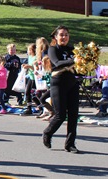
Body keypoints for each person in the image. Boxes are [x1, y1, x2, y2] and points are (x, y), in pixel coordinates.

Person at [42, 25, 80, 153]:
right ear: (56, 37)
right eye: (61, 35)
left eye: (66, 35)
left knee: (74, 115)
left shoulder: (73, 50)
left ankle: (70, 144)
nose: (64, 37)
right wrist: (73, 60)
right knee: (60, 115)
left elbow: (78, 68)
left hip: (72, 84)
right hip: (58, 83)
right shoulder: (53, 49)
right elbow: (57, 63)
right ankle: (48, 132)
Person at [20, 43, 37, 115]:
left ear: (31, 50)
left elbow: (36, 69)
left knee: (34, 94)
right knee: (27, 92)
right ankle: (29, 107)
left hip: (35, 78)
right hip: (30, 76)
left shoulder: (36, 58)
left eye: (28, 50)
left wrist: (29, 67)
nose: (27, 51)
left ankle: (40, 106)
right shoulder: (30, 57)